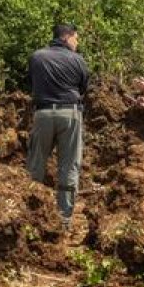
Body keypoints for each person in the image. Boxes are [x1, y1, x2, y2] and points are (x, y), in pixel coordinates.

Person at [26, 23, 90, 229]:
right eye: (76, 38)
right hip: (70, 113)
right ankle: (64, 219)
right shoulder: (77, 60)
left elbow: (32, 83)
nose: (77, 43)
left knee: (36, 163)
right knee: (69, 165)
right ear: (67, 37)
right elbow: (83, 88)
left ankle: (30, 214)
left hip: (43, 113)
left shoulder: (37, 57)